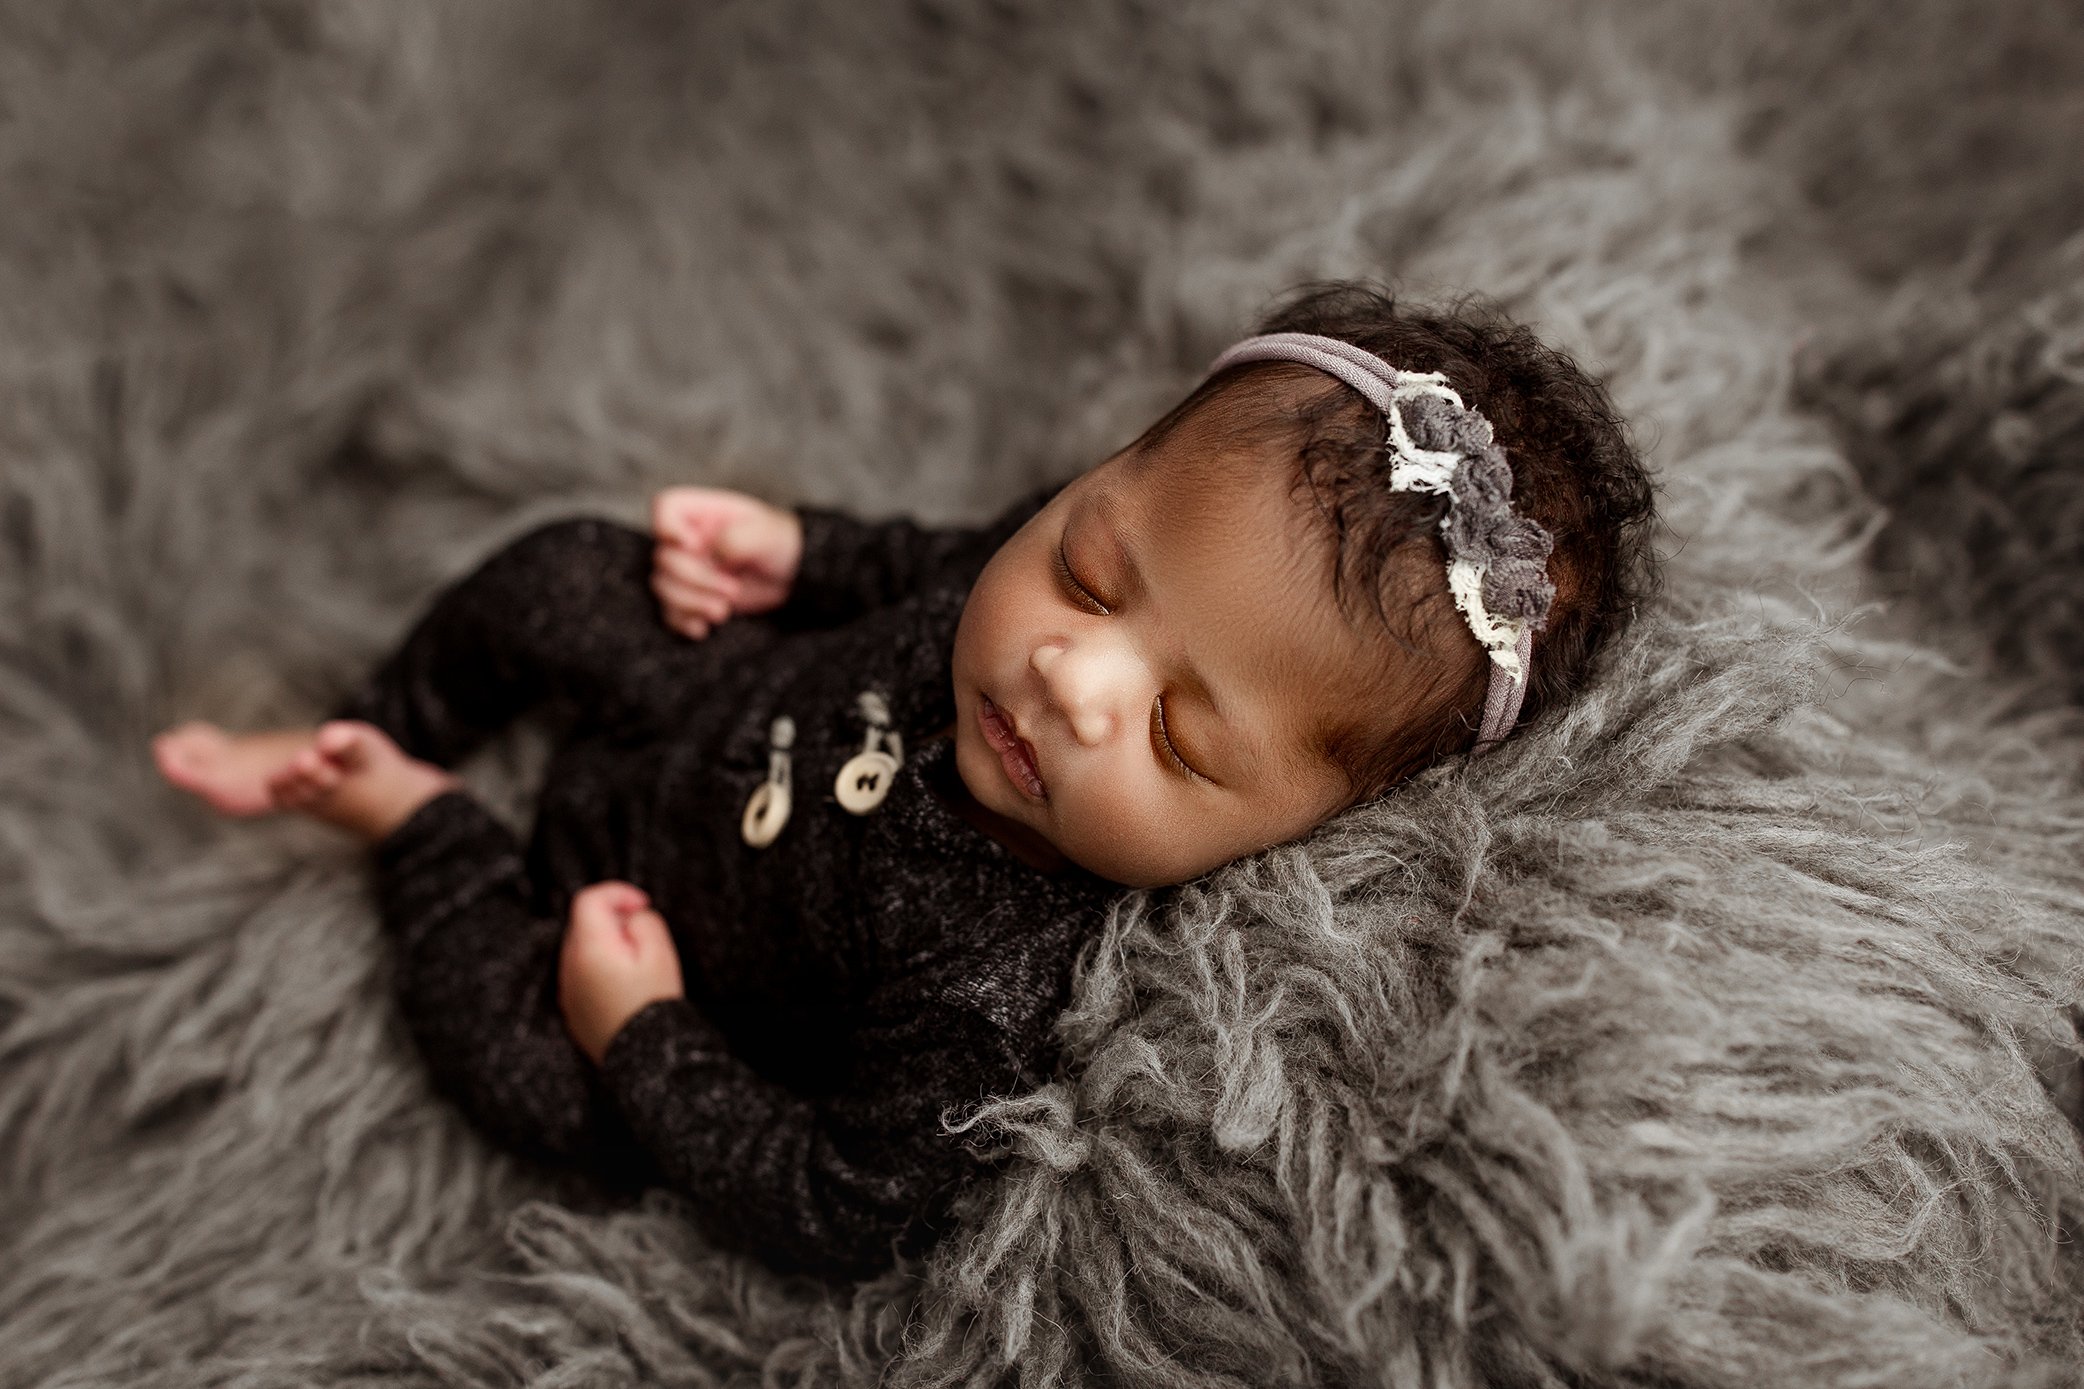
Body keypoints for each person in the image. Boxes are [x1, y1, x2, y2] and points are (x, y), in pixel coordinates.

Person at [149, 282, 1659, 1279]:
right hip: (696, 700)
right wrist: (798, 551)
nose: (1072, 675)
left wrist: (646, 1039)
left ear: (1309, 831)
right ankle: (378, 709)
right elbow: (939, 559)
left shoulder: (988, 983)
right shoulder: (1050, 605)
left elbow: (838, 1203)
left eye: (1185, 740)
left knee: (531, 1080)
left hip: (639, 952)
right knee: (564, 570)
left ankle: (412, 818)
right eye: (1084, 566)